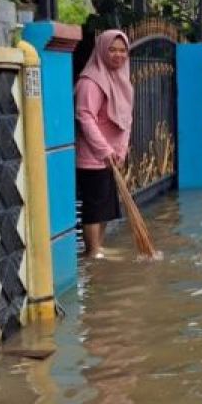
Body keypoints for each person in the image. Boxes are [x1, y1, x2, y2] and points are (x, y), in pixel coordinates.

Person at [75, 30, 133, 259]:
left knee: (107, 209)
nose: (118, 55)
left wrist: (120, 150)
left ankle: (97, 248)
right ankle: (92, 252)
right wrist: (104, 150)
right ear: (101, 50)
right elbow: (85, 117)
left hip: (112, 158)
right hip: (93, 158)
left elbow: (127, 119)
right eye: (112, 49)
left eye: (122, 50)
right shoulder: (90, 81)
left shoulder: (121, 80)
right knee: (94, 209)